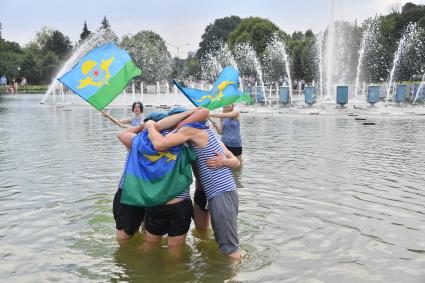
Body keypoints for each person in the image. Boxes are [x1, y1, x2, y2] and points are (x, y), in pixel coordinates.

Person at [145, 108, 242, 260]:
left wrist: (150, 125)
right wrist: (225, 160)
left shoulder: (191, 130)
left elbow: (159, 144)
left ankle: (233, 276)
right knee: (209, 234)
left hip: (221, 192)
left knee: (229, 246)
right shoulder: (207, 132)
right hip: (209, 192)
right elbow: (236, 162)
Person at [117, 108, 209, 249]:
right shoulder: (182, 142)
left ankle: (134, 264)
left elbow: (122, 134)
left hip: (145, 197)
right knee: (174, 249)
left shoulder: (138, 142)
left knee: (143, 242)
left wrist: (144, 127)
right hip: (176, 202)